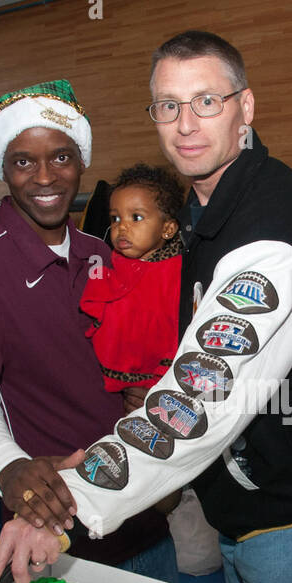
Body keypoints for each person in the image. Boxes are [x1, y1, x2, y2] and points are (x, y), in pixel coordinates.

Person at [0, 33, 292, 583]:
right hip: (258, 494)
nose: (185, 124)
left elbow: (199, 396)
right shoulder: (220, 202)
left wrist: (68, 502)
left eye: (206, 102)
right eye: (168, 105)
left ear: (246, 108)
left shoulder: (267, 230)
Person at [0, 80, 177, 581]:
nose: (45, 176)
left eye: (61, 157)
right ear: (3, 168)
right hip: (53, 529)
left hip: (144, 521)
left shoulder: (105, 253)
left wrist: (148, 391)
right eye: (24, 161)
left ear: (82, 162)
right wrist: (7, 466)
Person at [81, 163, 184, 406]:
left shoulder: (175, 275)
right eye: (115, 218)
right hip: (102, 381)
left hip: (156, 387)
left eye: (136, 217)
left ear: (167, 229)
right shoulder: (112, 263)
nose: (121, 227)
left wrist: (158, 385)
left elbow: (175, 337)